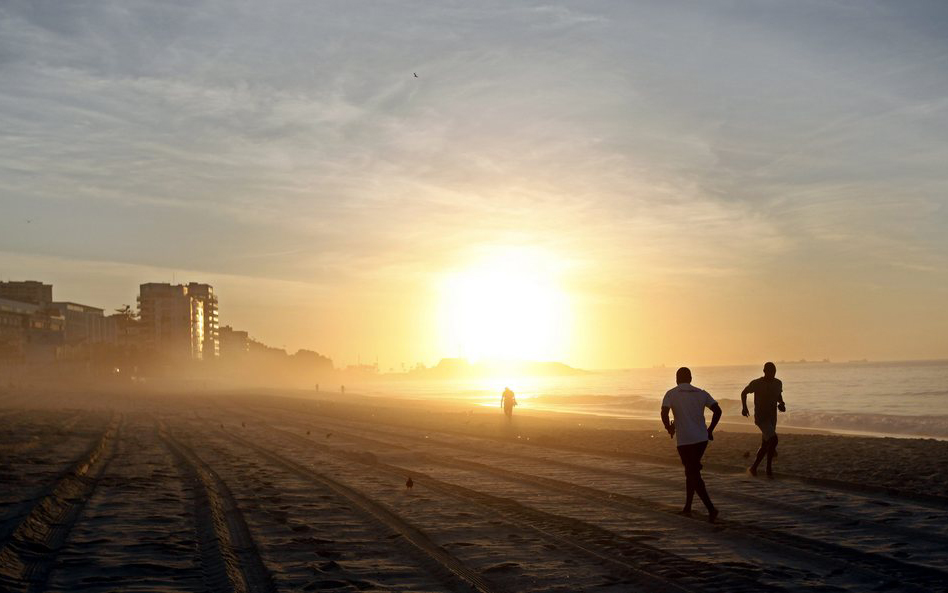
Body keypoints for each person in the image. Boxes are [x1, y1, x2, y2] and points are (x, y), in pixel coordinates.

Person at [661, 367, 722, 521]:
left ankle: (711, 508)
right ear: (691, 378)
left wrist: (669, 427)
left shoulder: (671, 393)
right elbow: (718, 411)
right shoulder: (701, 393)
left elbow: (664, 412)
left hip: (685, 441)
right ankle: (687, 507)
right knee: (691, 471)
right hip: (702, 439)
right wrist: (710, 430)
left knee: (692, 472)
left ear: (676, 379)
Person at [741, 362, 786, 478]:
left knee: (765, 444)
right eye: (770, 372)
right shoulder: (757, 383)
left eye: (774, 372)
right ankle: (768, 469)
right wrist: (744, 407)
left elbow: (778, 396)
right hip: (761, 418)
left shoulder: (778, 383)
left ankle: (753, 468)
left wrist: (781, 403)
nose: (772, 374)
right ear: (764, 371)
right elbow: (744, 393)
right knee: (774, 439)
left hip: (772, 417)